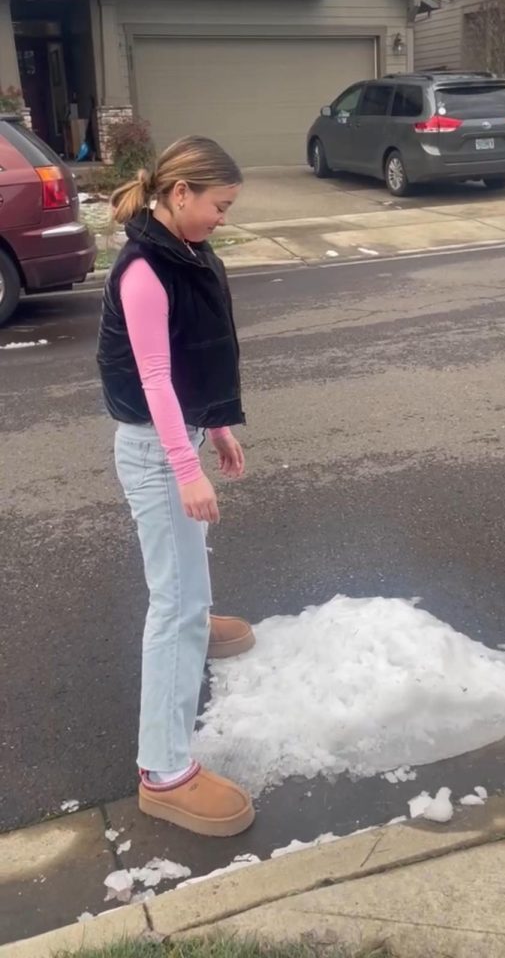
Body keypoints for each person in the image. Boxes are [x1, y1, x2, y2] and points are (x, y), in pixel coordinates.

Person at [97, 136, 255, 838]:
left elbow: (202, 355)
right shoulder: (142, 271)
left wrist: (215, 427)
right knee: (172, 602)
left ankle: (199, 622)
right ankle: (163, 773)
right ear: (180, 194)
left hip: (179, 436)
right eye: (219, 205)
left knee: (188, 587)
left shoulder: (184, 253)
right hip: (153, 449)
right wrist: (184, 468)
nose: (223, 217)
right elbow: (156, 379)